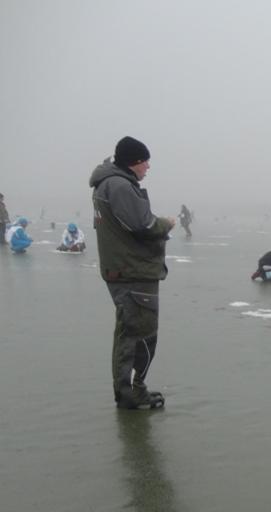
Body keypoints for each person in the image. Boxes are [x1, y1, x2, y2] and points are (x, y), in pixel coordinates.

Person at [90, 136, 176, 410]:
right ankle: (133, 391)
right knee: (141, 336)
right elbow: (143, 225)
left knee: (127, 333)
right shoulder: (118, 185)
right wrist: (167, 223)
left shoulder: (108, 184)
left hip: (124, 270)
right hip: (133, 271)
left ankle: (126, 390)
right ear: (134, 162)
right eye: (145, 162)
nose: (148, 167)